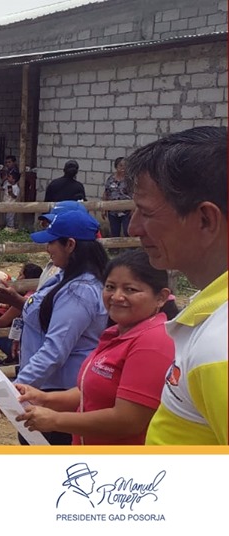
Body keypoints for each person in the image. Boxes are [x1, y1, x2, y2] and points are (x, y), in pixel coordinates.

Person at [126, 126, 227, 445]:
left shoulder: (220, 347)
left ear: (205, 220)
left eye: (146, 212)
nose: (133, 228)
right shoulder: (211, 315)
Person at [14, 250, 178, 445]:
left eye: (130, 289)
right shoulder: (116, 333)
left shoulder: (153, 342)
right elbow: (91, 391)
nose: (117, 296)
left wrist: (56, 420)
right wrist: (44, 398)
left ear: (161, 297)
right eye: (110, 287)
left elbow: (128, 421)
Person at [0, 209, 109, 445]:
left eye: (52, 242)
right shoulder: (64, 277)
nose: (47, 248)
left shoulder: (79, 291)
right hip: (48, 386)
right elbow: (46, 317)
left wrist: (17, 388)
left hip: (57, 390)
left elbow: (55, 349)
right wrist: (17, 301)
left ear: (70, 245)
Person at [0, 263, 42, 365]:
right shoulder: (38, 294)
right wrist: (1, 306)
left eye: (20, 275)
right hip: (34, 344)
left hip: (24, 346)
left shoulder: (24, 300)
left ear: (26, 279)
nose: (17, 278)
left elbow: (2, 322)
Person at [103, 157, 132, 238]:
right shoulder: (110, 179)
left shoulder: (129, 180)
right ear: (116, 167)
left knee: (127, 231)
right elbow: (106, 193)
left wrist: (133, 208)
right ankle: (115, 246)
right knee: (114, 232)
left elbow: (134, 194)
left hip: (126, 211)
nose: (123, 168)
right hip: (112, 211)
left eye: (125, 166)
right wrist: (103, 208)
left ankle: (129, 246)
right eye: (121, 165)